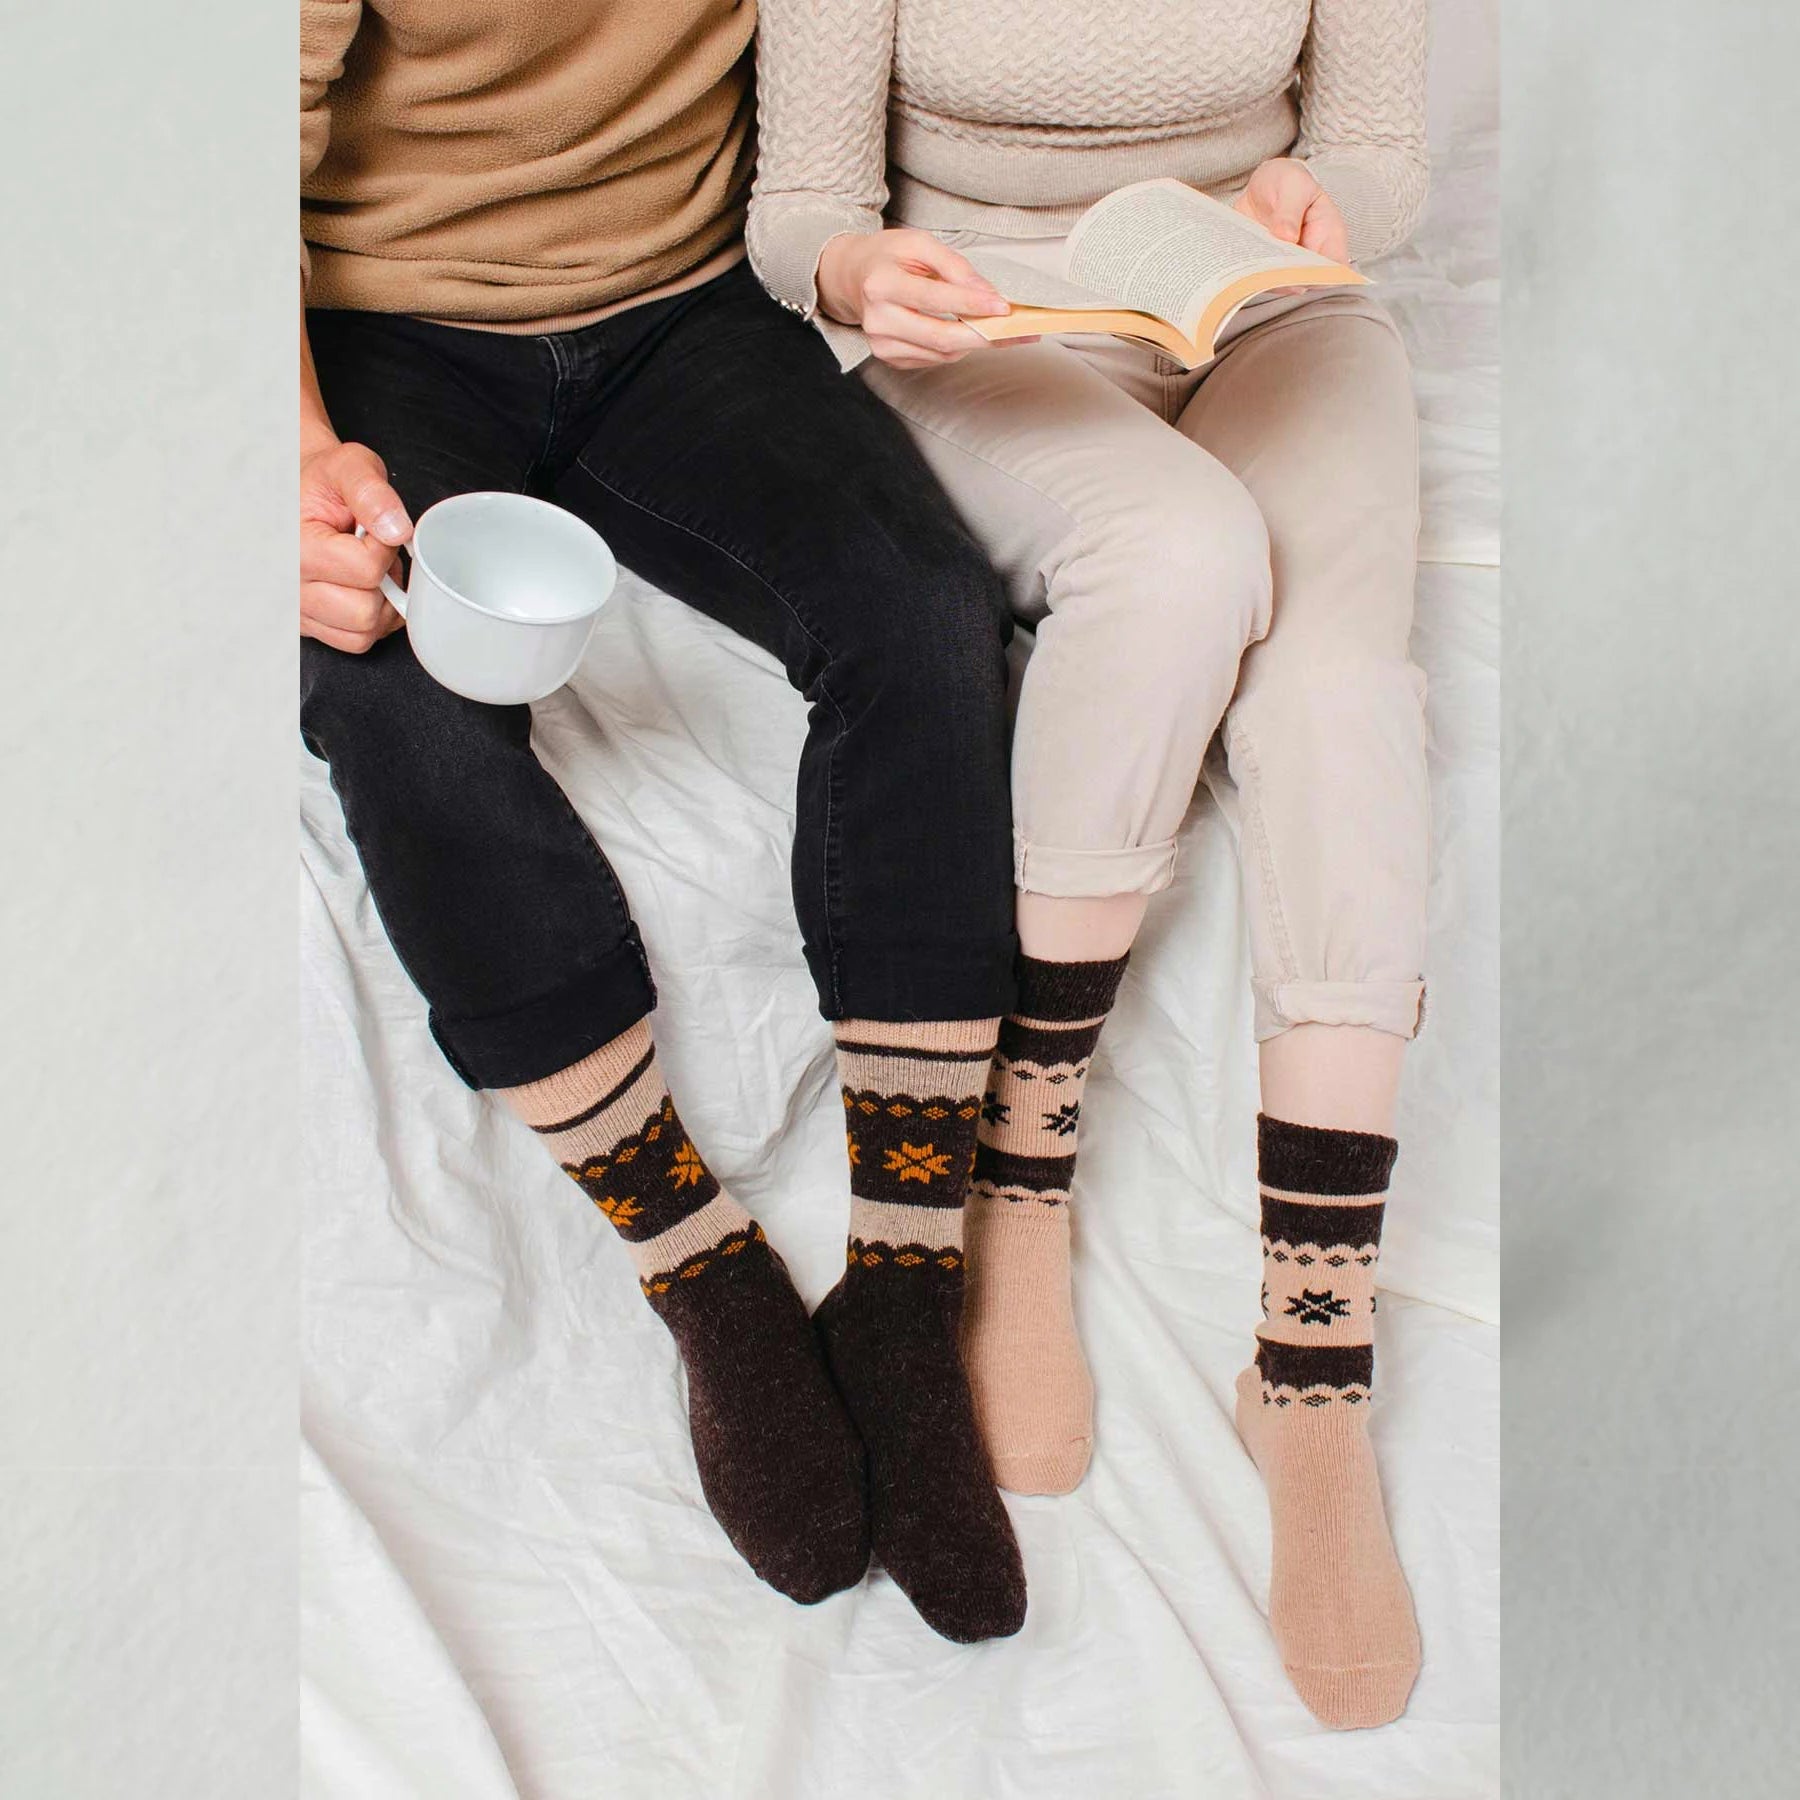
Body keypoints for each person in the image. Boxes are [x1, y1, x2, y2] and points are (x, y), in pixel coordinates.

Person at [299, 0, 1028, 1644]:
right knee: (395, 704)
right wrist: (283, 458)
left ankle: (908, 1288)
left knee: (924, 616)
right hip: (382, 324)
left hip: (689, 312)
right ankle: (706, 1275)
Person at [749, 0, 1432, 1725]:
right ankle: (1022, 1175)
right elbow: (798, 207)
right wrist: (853, 274)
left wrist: (1323, 197)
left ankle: (1313, 1360)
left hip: (1264, 314)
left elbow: (1383, 151)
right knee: (1182, 553)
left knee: (1345, 693)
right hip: (988, 317)